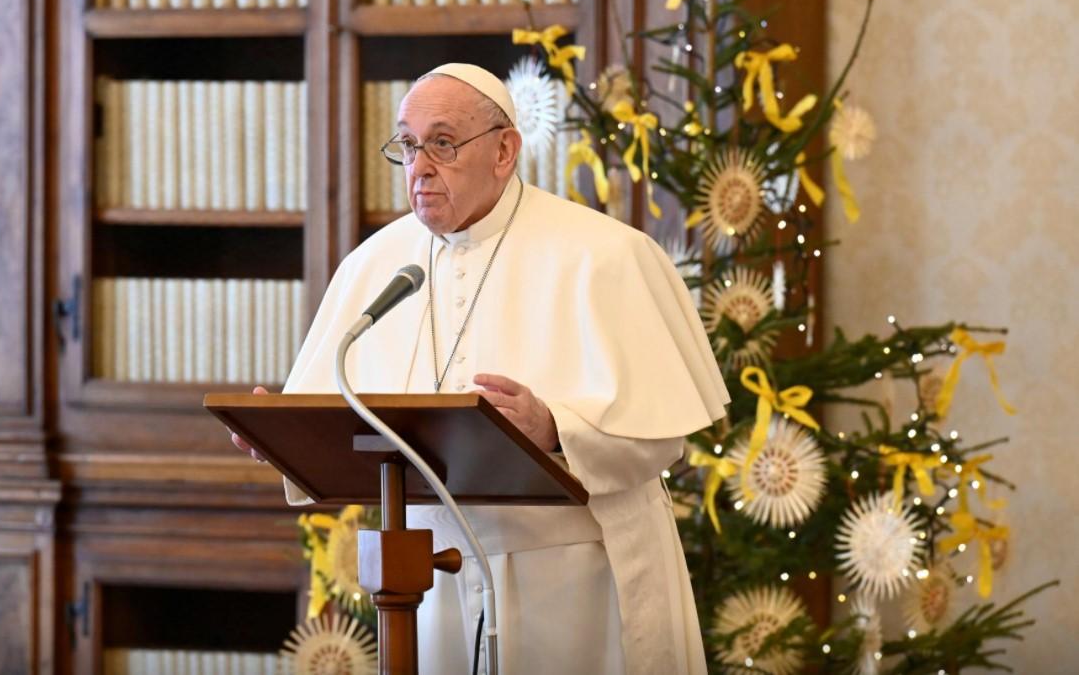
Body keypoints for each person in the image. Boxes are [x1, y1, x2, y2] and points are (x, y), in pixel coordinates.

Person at [232, 63, 729, 674]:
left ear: (504, 150)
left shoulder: (603, 256)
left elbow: (660, 437)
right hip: (428, 585)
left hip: (574, 578)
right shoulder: (376, 265)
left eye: (442, 142)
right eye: (408, 145)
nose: (419, 167)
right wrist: (286, 434)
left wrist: (552, 426)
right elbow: (343, 421)